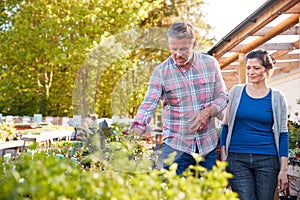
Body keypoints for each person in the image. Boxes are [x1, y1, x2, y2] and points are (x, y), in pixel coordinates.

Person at [130, 22, 228, 175]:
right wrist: (137, 128)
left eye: (183, 49)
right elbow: (149, 103)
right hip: (176, 147)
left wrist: (208, 111)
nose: (178, 54)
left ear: (194, 44)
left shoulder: (210, 64)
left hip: (206, 145)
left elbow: (222, 96)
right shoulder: (161, 72)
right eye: (173, 49)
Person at [220, 49, 289, 200]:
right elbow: (225, 126)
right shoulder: (236, 92)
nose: (251, 72)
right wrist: (225, 157)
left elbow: (283, 134)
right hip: (237, 158)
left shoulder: (277, 97)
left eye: (256, 68)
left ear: (267, 70)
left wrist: (283, 168)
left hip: (268, 159)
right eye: (248, 68)